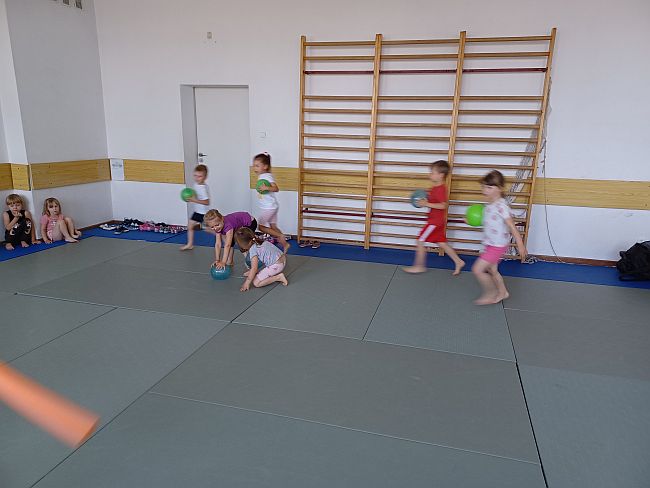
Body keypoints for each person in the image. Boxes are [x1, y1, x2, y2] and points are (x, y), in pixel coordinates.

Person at [472, 170, 527, 305]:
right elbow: (487, 222)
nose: (485, 190)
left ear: (500, 188)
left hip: (497, 246)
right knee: (493, 270)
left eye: (489, 187)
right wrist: (470, 221)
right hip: (490, 244)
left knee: (477, 270)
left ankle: (490, 293)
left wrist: (520, 245)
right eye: (484, 187)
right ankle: (503, 292)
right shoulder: (488, 206)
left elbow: (512, 226)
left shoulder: (501, 206)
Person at [403, 160, 465, 275]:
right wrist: (424, 200)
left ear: (441, 175)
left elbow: (443, 205)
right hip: (436, 221)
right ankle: (458, 261)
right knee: (442, 243)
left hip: (435, 222)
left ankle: (419, 266)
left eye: (432, 172)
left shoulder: (441, 188)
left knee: (420, 240)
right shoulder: (435, 187)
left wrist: (427, 204)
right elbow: (433, 200)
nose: (430, 174)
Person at [252, 152, 290, 253]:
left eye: (257, 166)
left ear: (265, 166)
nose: (254, 168)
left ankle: (280, 235)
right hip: (271, 206)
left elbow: (276, 188)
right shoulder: (262, 176)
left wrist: (266, 188)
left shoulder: (267, 176)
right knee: (273, 227)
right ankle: (285, 244)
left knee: (260, 227)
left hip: (269, 207)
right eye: (254, 165)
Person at [235, 227, 288, 291]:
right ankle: (269, 272)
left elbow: (254, 268)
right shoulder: (259, 240)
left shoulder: (253, 250)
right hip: (283, 259)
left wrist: (247, 282)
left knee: (256, 283)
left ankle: (278, 277)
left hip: (276, 266)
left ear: (245, 245)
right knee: (259, 264)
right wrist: (252, 271)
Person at [180, 164, 210, 250]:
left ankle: (225, 238)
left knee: (210, 229)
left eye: (200, 176)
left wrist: (194, 200)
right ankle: (190, 244)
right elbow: (195, 196)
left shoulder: (203, 188)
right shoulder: (196, 184)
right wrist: (189, 198)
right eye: (195, 175)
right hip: (197, 212)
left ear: (205, 177)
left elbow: (207, 202)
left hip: (204, 213)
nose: (197, 178)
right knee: (190, 226)